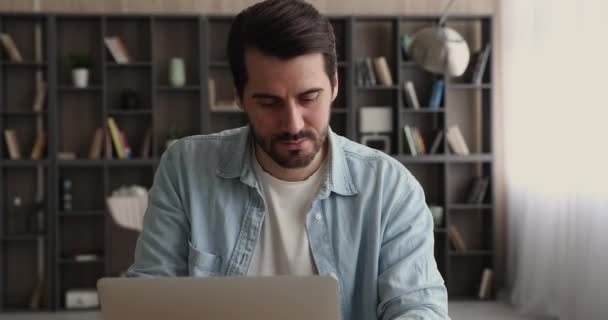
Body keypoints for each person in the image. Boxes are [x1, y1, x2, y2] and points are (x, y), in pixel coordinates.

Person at [127, 0, 449, 319]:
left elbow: (419, 308)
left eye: (309, 98)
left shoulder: (390, 188)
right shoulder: (185, 169)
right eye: (269, 102)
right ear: (238, 96)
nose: (293, 123)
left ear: (334, 86)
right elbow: (149, 297)